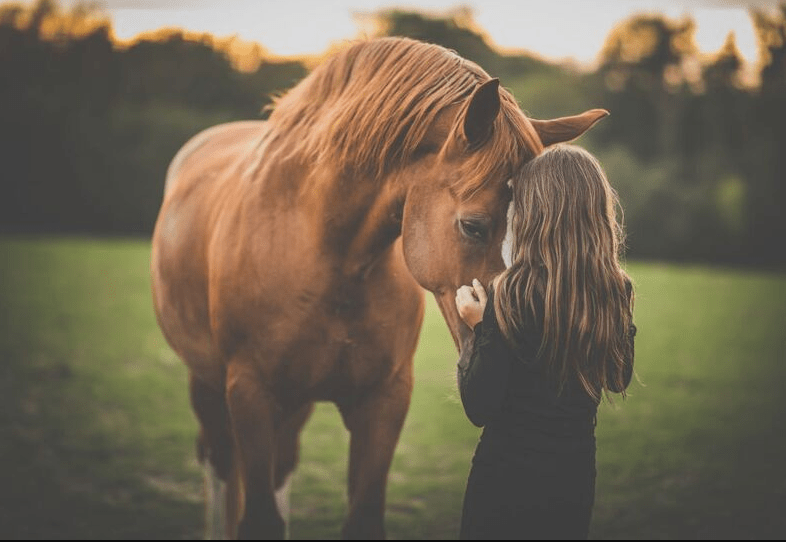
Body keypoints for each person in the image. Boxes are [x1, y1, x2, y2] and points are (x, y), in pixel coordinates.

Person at [454, 144, 637, 540]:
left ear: (536, 214)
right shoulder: (615, 289)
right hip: (573, 478)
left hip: (503, 479)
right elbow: (618, 378)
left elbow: (479, 405)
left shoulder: (510, 293)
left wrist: (479, 326)